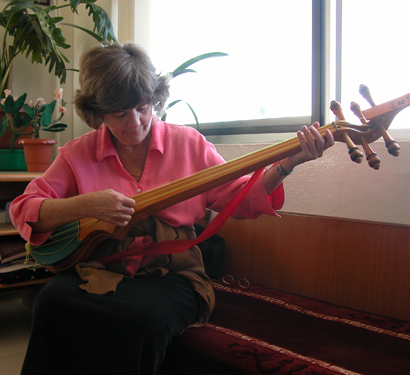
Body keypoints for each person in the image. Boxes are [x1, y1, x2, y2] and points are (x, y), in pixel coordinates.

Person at [10, 42, 334, 375]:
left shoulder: (189, 144)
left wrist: (288, 164)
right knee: (51, 300)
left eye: (142, 107)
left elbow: (237, 196)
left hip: (172, 273)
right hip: (103, 267)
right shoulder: (78, 153)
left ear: (155, 101)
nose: (134, 122)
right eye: (119, 113)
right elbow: (25, 209)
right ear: (98, 112)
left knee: (143, 320)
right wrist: (87, 204)